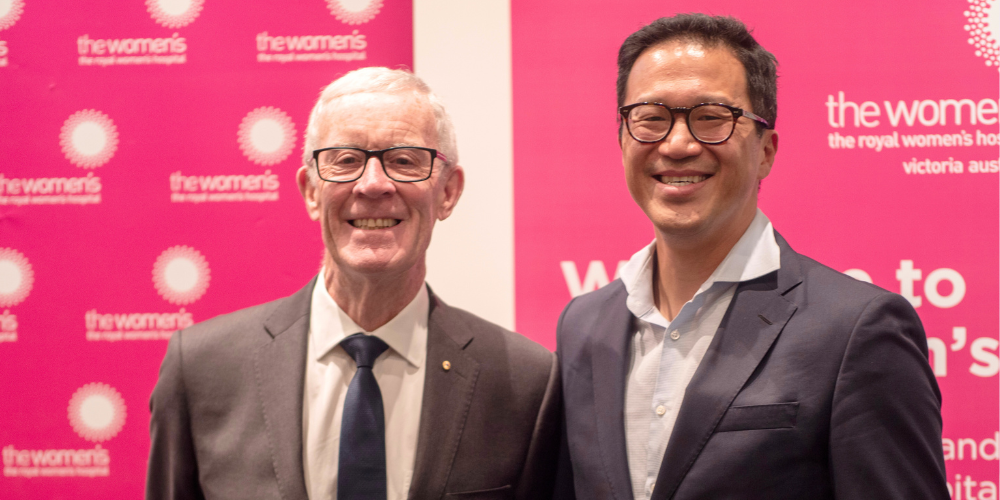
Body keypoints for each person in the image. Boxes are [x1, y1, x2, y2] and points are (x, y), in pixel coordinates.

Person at [555, 14, 948, 500]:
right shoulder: (583, 326)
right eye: (650, 118)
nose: (677, 144)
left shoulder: (856, 330)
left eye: (712, 118)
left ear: (766, 150)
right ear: (621, 139)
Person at [146, 67, 560, 500]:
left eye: (404, 160)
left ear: (448, 192)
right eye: (345, 160)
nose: (373, 185)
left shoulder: (524, 384)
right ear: (310, 190)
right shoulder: (200, 370)